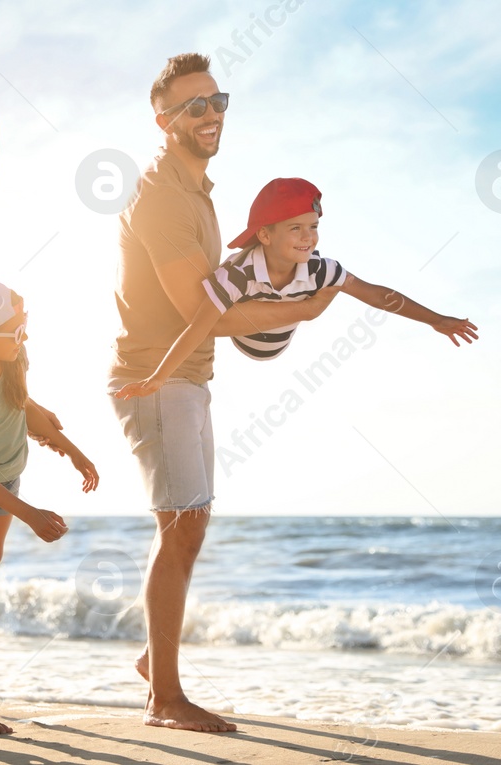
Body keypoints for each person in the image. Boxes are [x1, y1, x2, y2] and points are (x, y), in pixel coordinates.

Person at [108, 53, 339, 732]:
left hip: (191, 378)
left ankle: (158, 661)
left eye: (218, 102)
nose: (211, 115)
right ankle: (164, 700)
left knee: (191, 520)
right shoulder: (160, 197)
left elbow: (223, 291)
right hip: (157, 373)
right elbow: (193, 307)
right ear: (164, 120)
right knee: (179, 523)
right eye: (194, 107)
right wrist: (299, 311)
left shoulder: (199, 191)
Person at [115, 178, 478, 399]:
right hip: (245, 334)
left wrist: (436, 320)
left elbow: (378, 295)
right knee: (206, 302)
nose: (308, 238)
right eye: (295, 229)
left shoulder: (319, 269)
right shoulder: (239, 274)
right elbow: (199, 327)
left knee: (338, 282)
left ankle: (306, 295)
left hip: (282, 335)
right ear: (265, 234)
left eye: (313, 227)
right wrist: (157, 379)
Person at [0, 279, 98, 735]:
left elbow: (23, 405)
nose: (23, 339)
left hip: (6, 473)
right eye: (15, 332)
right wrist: (30, 514)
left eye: (24, 329)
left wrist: (71, 449)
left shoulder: (12, 360)